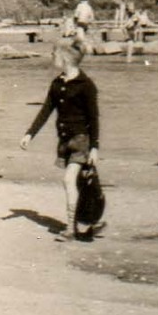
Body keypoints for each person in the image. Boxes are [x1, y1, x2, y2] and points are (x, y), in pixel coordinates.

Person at [20, 43, 100, 236]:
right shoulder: (57, 83)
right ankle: (84, 224)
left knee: (68, 180)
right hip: (64, 142)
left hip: (81, 141)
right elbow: (46, 110)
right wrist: (30, 134)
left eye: (53, 54)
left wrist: (95, 147)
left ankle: (71, 228)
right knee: (75, 183)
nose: (51, 57)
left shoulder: (86, 85)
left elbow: (93, 117)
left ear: (64, 59)